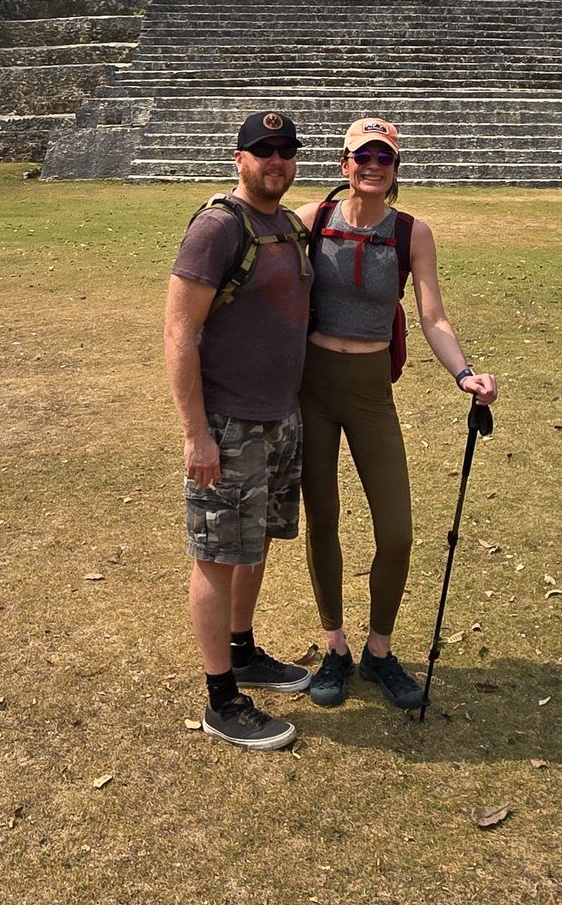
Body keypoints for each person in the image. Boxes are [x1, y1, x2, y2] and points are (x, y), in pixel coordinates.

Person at [294, 117, 499, 709]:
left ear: (395, 167)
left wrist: (465, 373)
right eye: (362, 156)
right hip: (312, 384)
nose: (372, 166)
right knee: (324, 520)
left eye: (383, 157)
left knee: (397, 531)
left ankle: (378, 651)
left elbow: (433, 316)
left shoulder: (412, 232)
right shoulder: (312, 221)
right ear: (344, 164)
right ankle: (334, 645)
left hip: (369, 391)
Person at [164, 111, 317, 750]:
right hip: (228, 424)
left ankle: (244, 649)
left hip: (280, 418)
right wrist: (196, 433)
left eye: (285, 151)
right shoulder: (217, 228)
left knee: (254, 545)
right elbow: (179, 331)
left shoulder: (283, 224)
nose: (275, 161)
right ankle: (221, 698)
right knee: (217, 554)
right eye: (263, 151)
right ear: (238, 158)